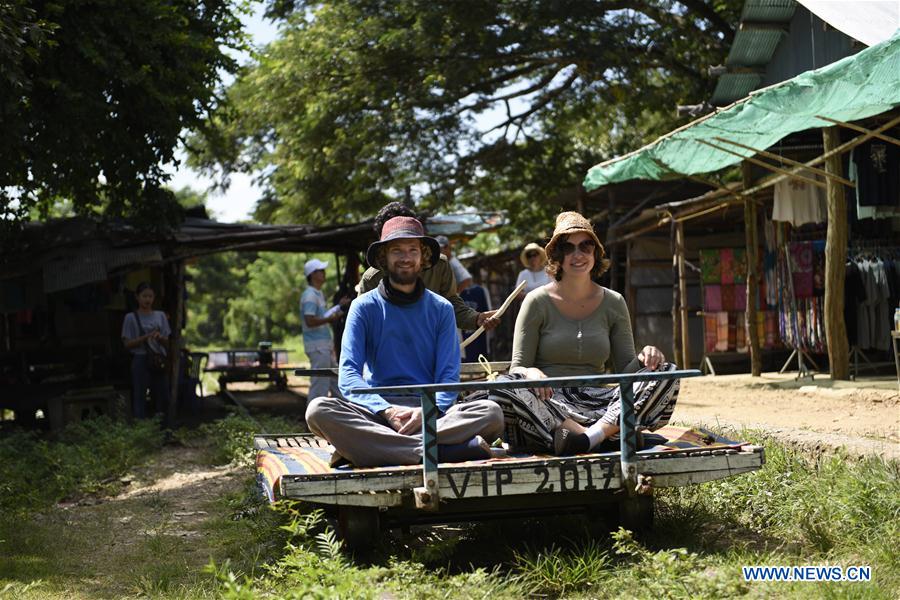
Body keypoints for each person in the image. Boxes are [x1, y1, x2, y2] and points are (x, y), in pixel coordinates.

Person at [305, 216, 504, 467]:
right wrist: (387, 411)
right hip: (377, 412)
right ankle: (440, 452)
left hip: (431, 413)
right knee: (318, 411)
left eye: (412, 250)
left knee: (491, 413)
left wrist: (427, 412)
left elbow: (448, 375)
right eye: (396, 250)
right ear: (383, 259)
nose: (405, 258)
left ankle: (371, 449)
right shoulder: (363, 307)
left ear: (424, 259)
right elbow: (349, 373)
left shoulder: (441, 308)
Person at [505, 211, 679, 455]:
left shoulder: (614, 302)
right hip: (551, 403)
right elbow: (517, 368)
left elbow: (626, 372)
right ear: (556, 256)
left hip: (601, 401)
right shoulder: (536, 301)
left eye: (586, 246)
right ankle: (610, 433)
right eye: (568, 247)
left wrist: (645, 359)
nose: (578, 255)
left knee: (666, 372)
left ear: (595, 253)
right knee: (506, 384)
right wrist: (531, 371)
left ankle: (588, 438)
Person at [359, 202, 499, 333]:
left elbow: (451, 304)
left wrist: (475, 318)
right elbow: (362, 326)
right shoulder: (371, 279)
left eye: (410, 246)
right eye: (396, 248)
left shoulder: (439, 265)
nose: (405, 257)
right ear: (383, 249)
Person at [121, 282, 171, 419]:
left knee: (163, 396)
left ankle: (164, 431)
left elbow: (168, 343)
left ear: (154, 298)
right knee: (140, 396)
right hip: (140, 359)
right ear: (137, 297)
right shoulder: (130, 318)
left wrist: (160, 338)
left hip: (158, 359)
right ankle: (141, 431)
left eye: (150, 296)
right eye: (144, 296)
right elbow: (127, 344)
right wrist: (144, 337)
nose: (147, 299)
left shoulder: (160, 316)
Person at [301, 258, 349, 401]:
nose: (324, 273)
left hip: (323, 347)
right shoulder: (310, 295)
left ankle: (345, 413)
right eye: (320, 270)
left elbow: (322, 316)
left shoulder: (317, 293)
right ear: (313, 274)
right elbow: (310, 321)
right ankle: (313, 419)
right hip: (317, 347)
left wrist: (338, 307)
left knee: (335, 380)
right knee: (319, 385)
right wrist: (331, 319)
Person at [460, 278, 493, 362]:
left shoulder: (482, 291)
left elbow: (488, 310)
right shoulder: (457, 293)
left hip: (479, 326)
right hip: (465, 328)